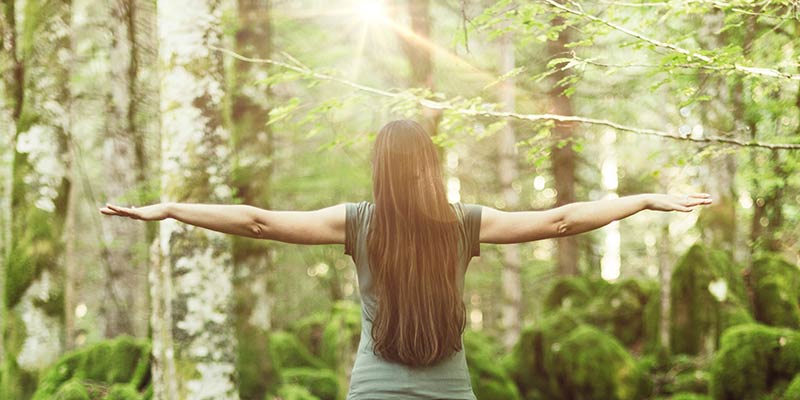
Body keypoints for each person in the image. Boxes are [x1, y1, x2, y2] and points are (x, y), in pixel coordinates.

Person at [100, 119, 712, 399]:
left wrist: (175, 208)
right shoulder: (463, 224)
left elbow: (259, 221)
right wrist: (643, 200)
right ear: (430, 166)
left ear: (378, 170)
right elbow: (559, 220)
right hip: (450, 389)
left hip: (375, 388)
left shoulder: (358, 223)